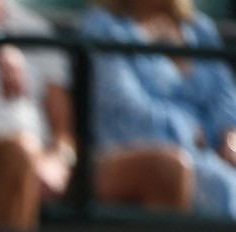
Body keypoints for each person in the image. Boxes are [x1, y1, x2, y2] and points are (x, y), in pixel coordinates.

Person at [0, 0, 193, 230]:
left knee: (167, 168)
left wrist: (58, 161)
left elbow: (62, 128)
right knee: (17, 153)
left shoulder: (33, 28)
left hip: (38, 162)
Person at [79, 0, 236, 220]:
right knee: (221, 185)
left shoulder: (200, 29)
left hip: (211, 153)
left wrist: (230, 139)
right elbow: (125, 111)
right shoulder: (103, 27)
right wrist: (189, 129)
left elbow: (226, 99)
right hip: (136, 150)